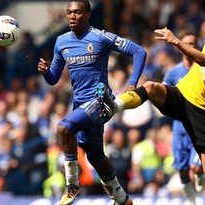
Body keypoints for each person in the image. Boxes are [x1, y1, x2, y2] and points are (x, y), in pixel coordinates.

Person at [97, 2, 205, 205]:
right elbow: (198, 64)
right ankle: (113, 106)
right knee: (151, 87)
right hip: (183, 94)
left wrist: (176, 41)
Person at [37, 0, 147, 205]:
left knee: (63, 129)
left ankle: (72, 183)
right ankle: (122, 199)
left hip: (99, 101)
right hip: (79, 104)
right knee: (95, 156)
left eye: (77, 12)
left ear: (88, 14)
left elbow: (139, 52)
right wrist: (46, 72)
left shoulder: (100, 37)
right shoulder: (61, 41)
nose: (72, 16)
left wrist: (132, 84)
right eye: (69, 13)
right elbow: (54, 78)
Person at [162, 30, 205, 205]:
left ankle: (200, 173)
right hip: (179, 128)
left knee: (195, 166)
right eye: (186, 43)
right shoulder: (173, 73)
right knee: (182, 170)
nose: (189, 46)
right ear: (180, 48)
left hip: (198, 126)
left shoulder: (203, 69)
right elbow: (163, 96)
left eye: (193, 43)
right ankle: (191, 201)